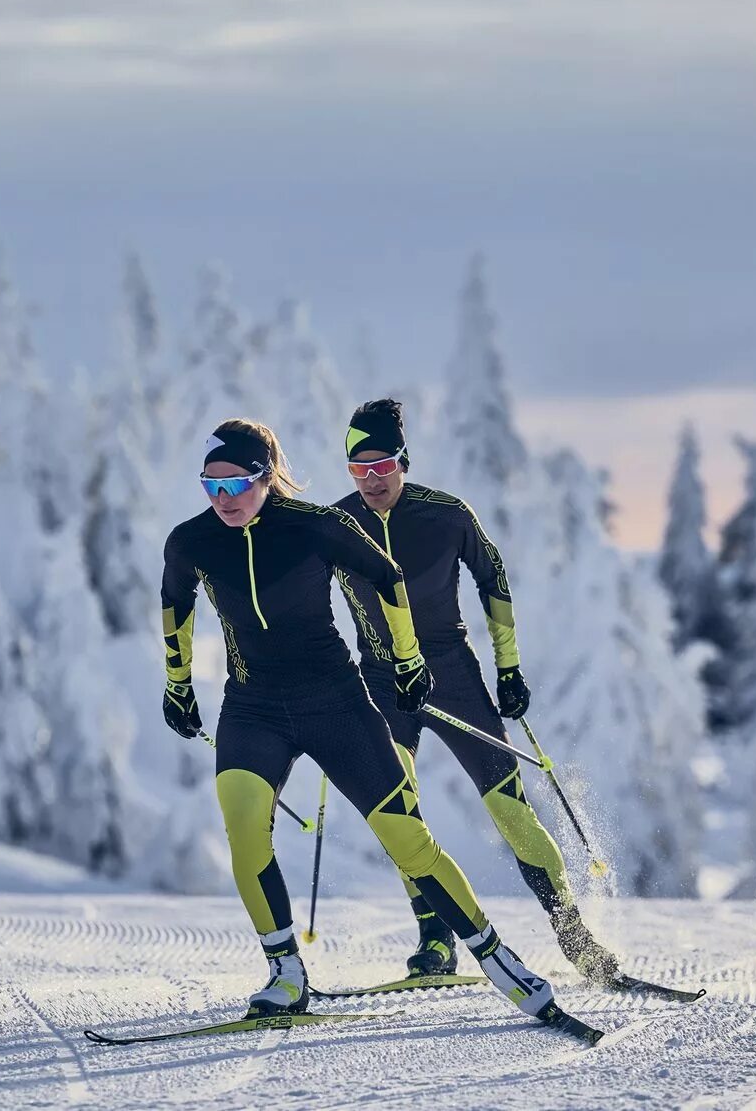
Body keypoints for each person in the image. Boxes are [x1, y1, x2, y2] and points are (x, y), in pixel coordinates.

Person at [161, 418, 569, 1026]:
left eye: (237, 484)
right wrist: (178, 684)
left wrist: (407, 659)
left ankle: (494, 954)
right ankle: (285, 973)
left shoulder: (315, 526)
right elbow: (176, 604)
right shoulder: (190, 541)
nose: (224, 500)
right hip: (253, 707)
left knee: (408, 840)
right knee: (245, 828)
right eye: (210, 487)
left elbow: (388, 576)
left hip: (338, 705)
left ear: (267, 477)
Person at [333, 398, 622, 987]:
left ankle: (572, 932)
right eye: (358, 470)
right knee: (400, 812)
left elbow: (493, 579)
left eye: (382, 464)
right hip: (382, 683)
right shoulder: (336, 525)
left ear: (403, 460)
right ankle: (435, 938)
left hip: (452, 675)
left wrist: (508, 669)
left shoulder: (447, 515)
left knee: (508, 805)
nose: (372, 480)